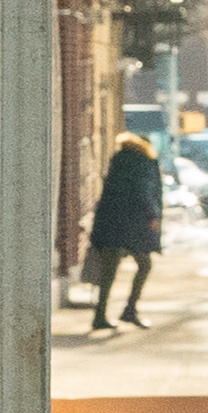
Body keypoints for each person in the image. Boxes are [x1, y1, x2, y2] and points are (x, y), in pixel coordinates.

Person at [81, 117, 166, 331]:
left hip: (111, 224)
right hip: (135, 225)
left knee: (109, 270)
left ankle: (100, 315)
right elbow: (145, 193)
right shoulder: (144, 163)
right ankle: (130, 310)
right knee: (144, 265)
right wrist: (153, 216)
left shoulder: (118, 161)